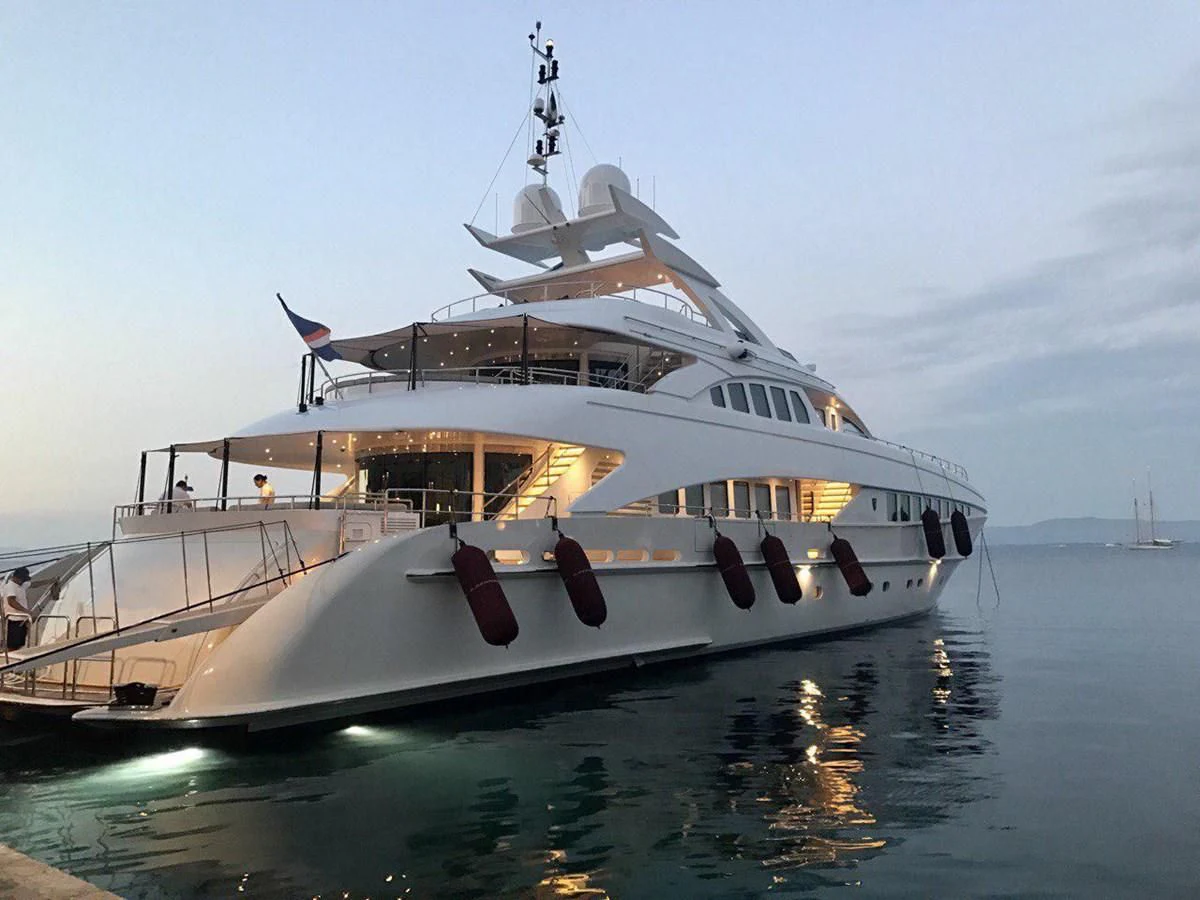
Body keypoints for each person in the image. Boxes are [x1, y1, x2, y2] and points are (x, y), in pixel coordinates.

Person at [1, 567, 33, 651]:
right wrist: (26, 611)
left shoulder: (21, 585)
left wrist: (50, 581)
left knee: (20, 643)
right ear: (16, 577)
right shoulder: (10, 586)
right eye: (22, 579)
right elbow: (11, 601)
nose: (23, 581)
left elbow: (33, 584)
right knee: (13, 644)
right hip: (14, 619)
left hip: (22, 619)